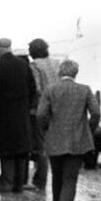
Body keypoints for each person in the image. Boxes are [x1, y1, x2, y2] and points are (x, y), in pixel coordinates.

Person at [37, 59, 100, 201]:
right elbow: (96, 112)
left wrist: (46, 129)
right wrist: (88, 130)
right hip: (78, 140)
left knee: (57, 176)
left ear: (60, 72)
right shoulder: (84, 90)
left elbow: (41, 114)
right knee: (70, 178)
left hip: (55, 139)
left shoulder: (50, 90)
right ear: (75, 73)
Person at [0, 38, 37, 192]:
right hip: (22, 114)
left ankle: (7, 182)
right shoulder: (23, 65)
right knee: (21, 150)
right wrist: (28, 107)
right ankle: (19, 184)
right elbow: (33, 89)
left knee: (6, 150)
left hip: (3, 115)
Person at [27, 38, 59, 189]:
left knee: (41, 146)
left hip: (40, 110)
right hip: (57, 109)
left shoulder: (34, 65)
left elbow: (37, 88)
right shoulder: (56, 63)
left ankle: (40, 180)